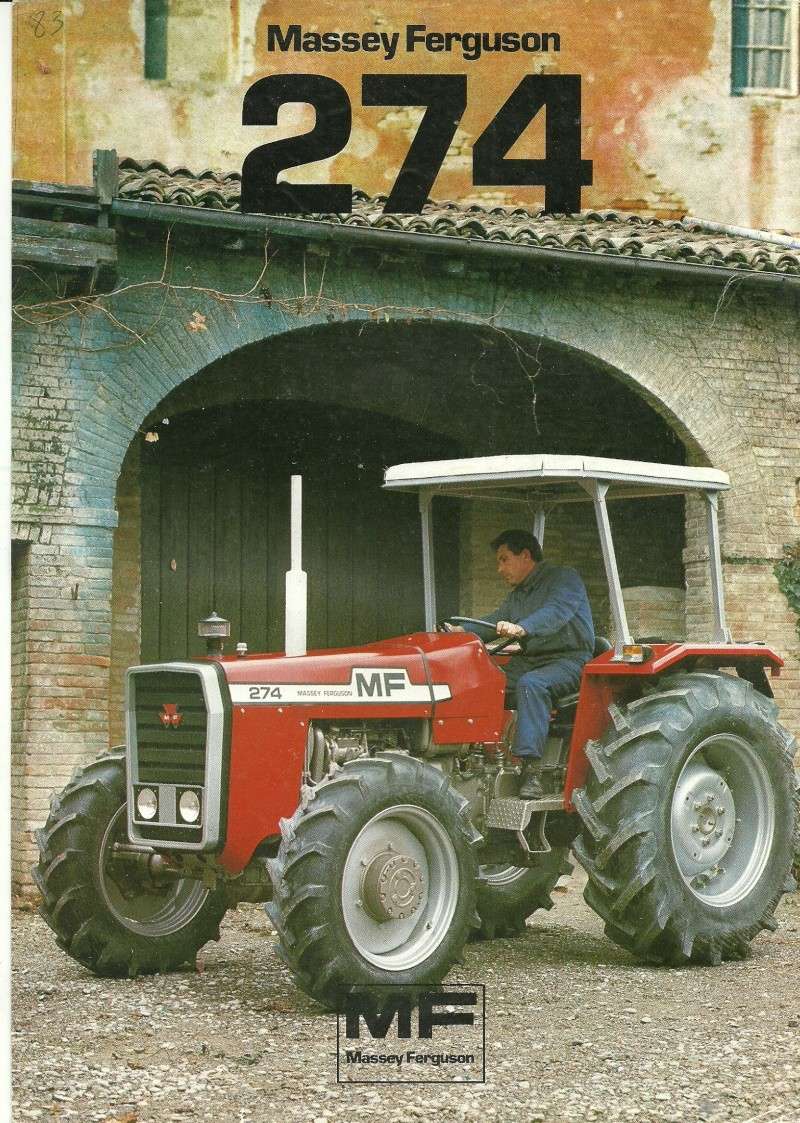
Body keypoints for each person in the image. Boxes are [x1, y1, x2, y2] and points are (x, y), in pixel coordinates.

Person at [446, 529, 594, 800]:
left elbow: (556, 613)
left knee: (531, 685)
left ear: (525, 556)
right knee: (484, 683)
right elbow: (495, 622)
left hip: (570, 660)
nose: (499, 568)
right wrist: (459, 632)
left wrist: (522, 628)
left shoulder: (564, 579)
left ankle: (531, 772)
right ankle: (474, 759)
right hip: (531, 660)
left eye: (504, 559)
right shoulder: (518, 595)